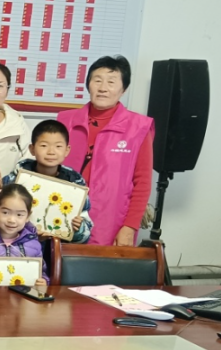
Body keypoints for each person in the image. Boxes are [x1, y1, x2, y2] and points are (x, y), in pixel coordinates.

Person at [57, 56, 153, 246]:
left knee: (103, 265)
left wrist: (130, 227)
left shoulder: (138, 127)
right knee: (58, 263)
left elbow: (142, 182)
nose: (103, 88)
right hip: (64, 216)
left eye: (111, 82)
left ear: (124, 89)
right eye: (97, 80)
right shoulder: (65, 121)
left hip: (112, 223)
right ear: (88, 84)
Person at [3, 120, 92, 243]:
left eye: (58, 146)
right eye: (44, 146)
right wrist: (28, 235)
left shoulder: (75, 184)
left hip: (58, 250)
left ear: (67, 150)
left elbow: (85, 235)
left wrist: (78, 229)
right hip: (20, 248)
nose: (51, 152)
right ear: (32, 149)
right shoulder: (15, 180)